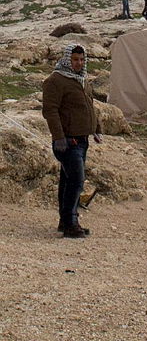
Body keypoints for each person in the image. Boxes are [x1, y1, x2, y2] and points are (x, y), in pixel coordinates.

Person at [41, 44, 103, 239]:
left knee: (68, 180)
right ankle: (71, 222)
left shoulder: (82, 80)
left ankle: (65, 221)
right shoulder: (56, 81)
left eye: (82, 59)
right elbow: (50, 110)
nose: (79, 63)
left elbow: (89, 106)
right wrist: (59, 137)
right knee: (76, 180)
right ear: (68, 59)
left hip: (82, 139)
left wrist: (96, 128)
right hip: (68, 141)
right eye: (75, 59)